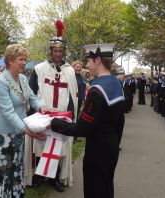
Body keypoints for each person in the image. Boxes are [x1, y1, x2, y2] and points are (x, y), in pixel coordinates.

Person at [51, 43, 125, 198]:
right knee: (106, 187)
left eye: (89, 61)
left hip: (97, 152)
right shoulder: (116, 83)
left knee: (94, 190)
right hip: (111, 146)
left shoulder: (97, 90)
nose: (87, 65)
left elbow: (82, 129)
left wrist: (55, 124)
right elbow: (120, 121)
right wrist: (115, 142)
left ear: (98, 60)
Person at [0, 44, 47, 197]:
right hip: (4, 134)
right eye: (21, 59)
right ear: (10, 60)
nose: (24, 63)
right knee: (3, 169)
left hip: (18, 131)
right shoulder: (0, 82)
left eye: (25, 60)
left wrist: (41, 107)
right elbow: (8, 112)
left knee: (16, 167)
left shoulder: (22, 78)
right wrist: (26, 130)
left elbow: (32, 97)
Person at [27, 20, 79, 192]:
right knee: (42, 146)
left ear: (64, 52)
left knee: (58, 147)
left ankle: (54, 177)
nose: (58, 54)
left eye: (60, 51)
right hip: (43, 114)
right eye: (55, 50)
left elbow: (72, 95)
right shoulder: (39, 69)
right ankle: (39, 175)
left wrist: (69, 116)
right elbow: (32, 92)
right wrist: (33, 113)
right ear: (50, 51)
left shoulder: (69, 71)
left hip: (62, 116)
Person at [72, 60, 86, 143]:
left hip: (80, 99)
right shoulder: (72, 77)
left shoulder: (80, 76)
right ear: (73, 67)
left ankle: (75, 135)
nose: (79, 68)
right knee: (74, 117)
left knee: (77, 117)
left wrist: (83, 98)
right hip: (74, 99)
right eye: (77, 67)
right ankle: (73, 137)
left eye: (80, 67)